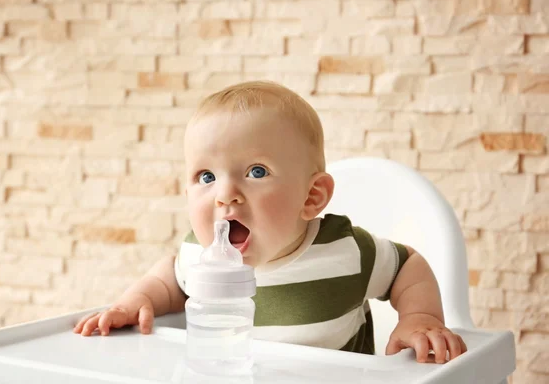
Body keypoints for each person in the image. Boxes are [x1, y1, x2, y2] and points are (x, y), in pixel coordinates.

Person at [73, 81, 467, 364]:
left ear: (311, 197)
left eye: (256, 171)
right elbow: (169, 281)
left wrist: (419, 317)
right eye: (206, 177)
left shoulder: (344, 250)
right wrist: (134, 302)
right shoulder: (199, 254)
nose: (225, 195)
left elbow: (407, 266)